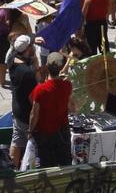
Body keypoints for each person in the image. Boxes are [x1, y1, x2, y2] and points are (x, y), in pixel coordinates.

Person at [28, 53, 72, 167]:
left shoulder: (40, 89)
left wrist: (30, 130)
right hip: (62, 132)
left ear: (46, 66)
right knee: (65, 163)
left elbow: (34, 114)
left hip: (45, 134)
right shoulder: (67, 85)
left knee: (47, 166)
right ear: (61, 68)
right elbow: (72, 107)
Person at [6, 35, 38, 168]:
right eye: (31, 46)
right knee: (33, 145)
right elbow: (37, 80)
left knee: (17, 141)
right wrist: (35, 57)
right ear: (28, 49)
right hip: (26, 113)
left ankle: (12, 169)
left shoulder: (12, 59)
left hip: (17, 108)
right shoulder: (28, 72)